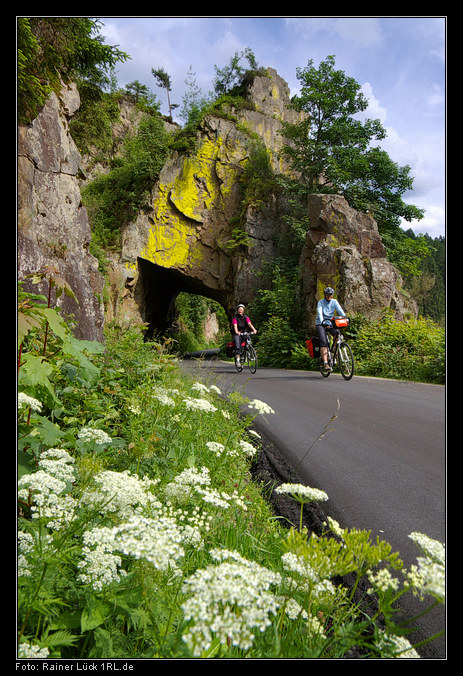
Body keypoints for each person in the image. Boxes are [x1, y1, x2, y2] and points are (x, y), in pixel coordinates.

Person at [315, 287, 346, 372]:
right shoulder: (320, 302)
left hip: (329, 323)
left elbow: (340, 311)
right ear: (325, 295)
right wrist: (322, 322)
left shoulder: (334, 302)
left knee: (337, 333)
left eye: (331, 295)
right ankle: (325, 363)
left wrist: (345, 318)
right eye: (328, 295)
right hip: (320, 324)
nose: (330, 296)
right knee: (323, 341)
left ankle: (334, 349)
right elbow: (320, 313)